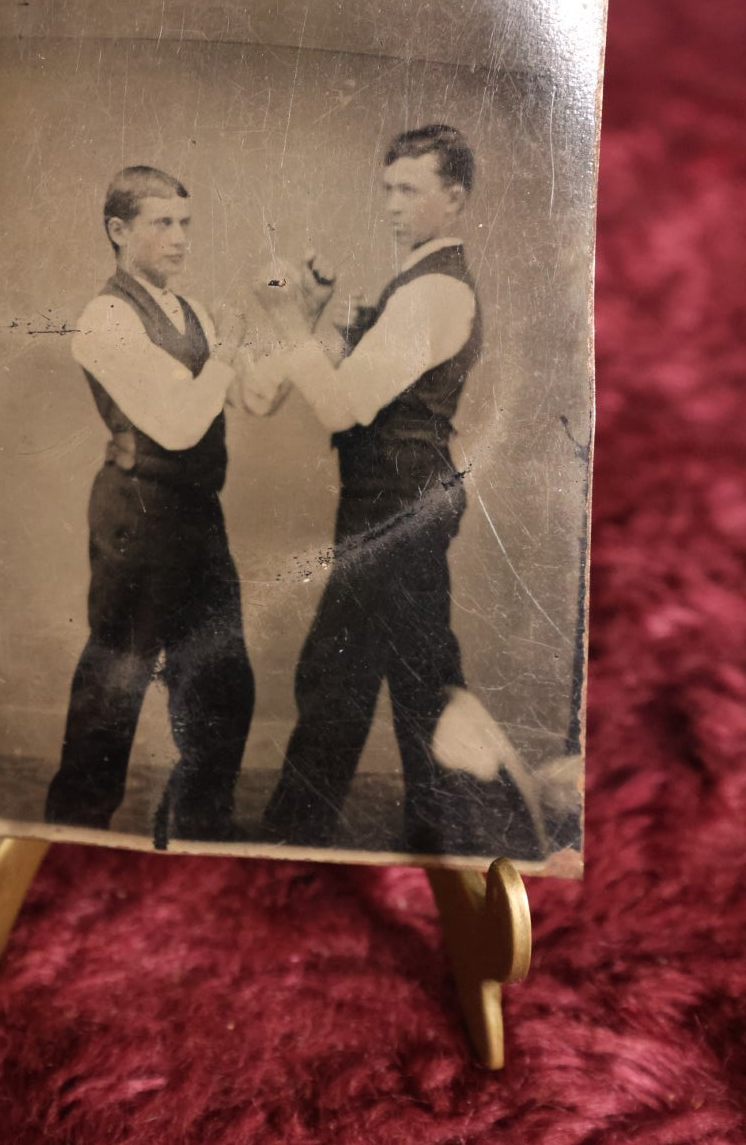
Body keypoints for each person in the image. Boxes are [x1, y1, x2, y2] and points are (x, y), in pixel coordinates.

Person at [247, 125, 543, 857]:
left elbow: (344, 405)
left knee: (335, 674)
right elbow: (347, 378)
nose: (392, 204)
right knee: (420, 679)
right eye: (388, 188)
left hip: (394, 509)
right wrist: (312, 320)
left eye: (410, 189)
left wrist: (287, 318)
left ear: (455, 198)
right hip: (404, 503)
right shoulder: (416, 284)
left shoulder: (435, 291)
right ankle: (452, 835)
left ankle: (291, 843)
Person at [45, 165, 254, 846]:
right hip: (137, 515)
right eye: (161, 222)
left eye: (184, 222)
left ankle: (197, 828)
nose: (179, 238)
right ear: (117, 230)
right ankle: (73, 837)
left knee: (222, 680)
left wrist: (288, 321)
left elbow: (254, 397)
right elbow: (180, 424)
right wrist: (229, 352)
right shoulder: (104, 317)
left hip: (197, 513)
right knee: (116, 681)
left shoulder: (190, 310)